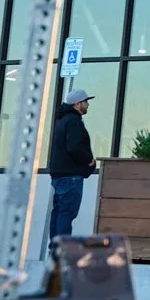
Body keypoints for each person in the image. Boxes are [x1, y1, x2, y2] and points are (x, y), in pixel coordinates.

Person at [47, 88, 98, 242]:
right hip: (71, 176)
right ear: (77, 104)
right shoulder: (74, 122)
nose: (88, 105)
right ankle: (62, 249)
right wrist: (88, 160)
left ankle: (55, 248)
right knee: (67, 213)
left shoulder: (62, 121)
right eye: (86, 102)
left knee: (59, 212)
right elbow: (75, 146)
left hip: (59, 174)